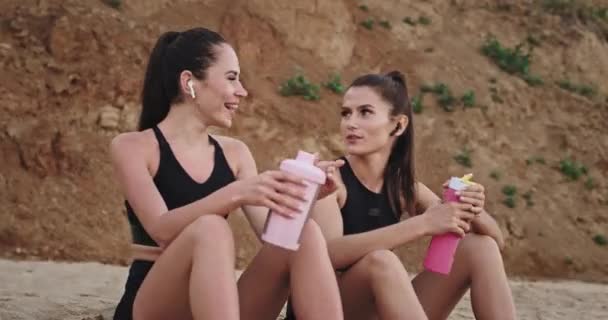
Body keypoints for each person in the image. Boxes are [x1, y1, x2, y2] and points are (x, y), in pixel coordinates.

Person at [110, 27, 343, 320]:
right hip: (154, 305)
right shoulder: (133, 147)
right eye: (232, 78)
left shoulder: (235, 153)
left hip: (215, 307)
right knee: (211, 228)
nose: (242, 91)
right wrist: (237, 193)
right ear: (189, 83)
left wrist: (307, 196)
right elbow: (160, 229)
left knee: (303, 233)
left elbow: (274, 240)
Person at [286, 70, 516, 320]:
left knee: (479, 247)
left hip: (378, 310)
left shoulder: (403, 187)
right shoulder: (331, 181)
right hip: (327, 311)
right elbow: (328, 253)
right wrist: (422, 224)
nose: (351, 123)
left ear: (398, 124)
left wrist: (473, 209)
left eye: (365, 112)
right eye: (346, 113)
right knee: (381, 262)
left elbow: (495, 242)